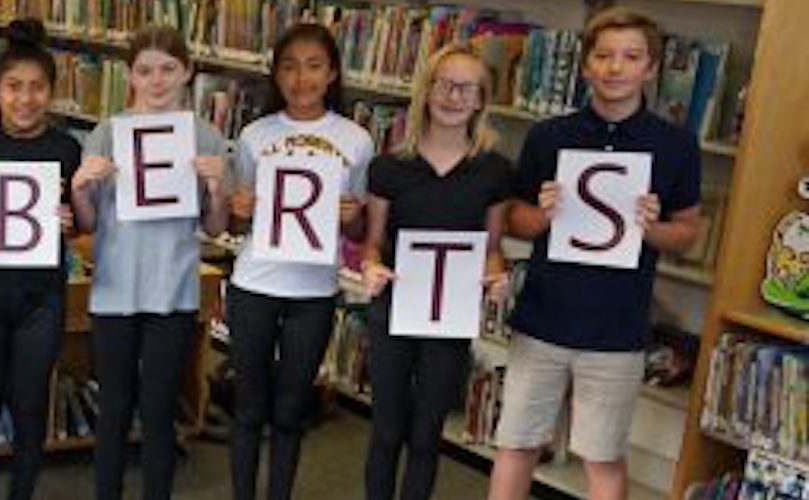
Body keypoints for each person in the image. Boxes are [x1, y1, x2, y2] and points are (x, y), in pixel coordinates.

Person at [490, 8, 703, 500]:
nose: (615, 68)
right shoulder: (549, 136)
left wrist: (653, 229)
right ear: (585, 65)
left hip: (617, 327)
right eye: (603, 56)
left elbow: (688, 232)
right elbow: (515, 220)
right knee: (516, 445)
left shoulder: (675, 146)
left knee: (603, 458)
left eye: (631, 57)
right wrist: (542, 215)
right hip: (542, 317)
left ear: (650, 69)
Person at [68, 24, 229, 500]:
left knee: (159, 411)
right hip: (115, 288)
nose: (156, 81)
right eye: (145, 71)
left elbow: (216, 227)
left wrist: (218, 188)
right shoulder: (106, 133)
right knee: (114, 409)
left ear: (187, 72)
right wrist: (80, 188)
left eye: (167, 70)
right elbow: (90, 223)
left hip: (173, 289)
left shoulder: (205, 136)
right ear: (130, 76)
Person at [226, 22, 375, 500]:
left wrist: (352, 219)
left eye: (314, 66)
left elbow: (356, 231)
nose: (301, 78)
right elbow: (241, 220)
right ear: (275, 74)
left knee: (291, 411)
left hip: (313, 290)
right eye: (289, 66)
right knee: (248, 408)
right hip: (254, 283)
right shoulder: (254, 135)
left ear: (332, 73)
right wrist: (239, 210)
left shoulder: (356, 139)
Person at [358, 46, 514, 500]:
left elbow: (492, 249)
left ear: (481, 100)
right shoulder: (390, 167)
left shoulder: (494, 172)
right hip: (393, 308)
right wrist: (369, 266)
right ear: (425, 92)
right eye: (443, 84)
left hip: (450, 315)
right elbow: (372, 241)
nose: (453, 96)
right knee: (386, 431)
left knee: (427, 435)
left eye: (466, 88)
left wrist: (497, 278)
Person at [0, 18, 83, 500]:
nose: (25, 99)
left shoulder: (67, 149)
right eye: (13, 87)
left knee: (30, 407)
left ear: (51, 90)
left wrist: (74, 220)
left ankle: (22, 494)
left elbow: (81, 222)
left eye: (36, 88)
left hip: (41, 298)